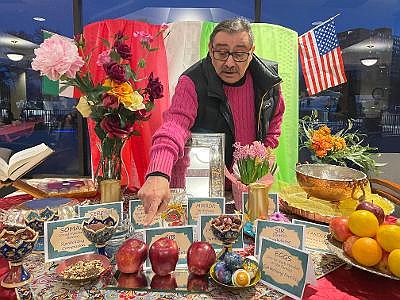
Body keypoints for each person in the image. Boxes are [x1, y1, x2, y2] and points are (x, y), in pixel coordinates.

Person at [138, 17, 285, 225]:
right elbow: (174, 126)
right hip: (200, 191)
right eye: (221, 52)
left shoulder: (268, 81)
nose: (230, 62)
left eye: (240, 53)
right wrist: (158, 172)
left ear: (252, 52)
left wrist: (261, 154)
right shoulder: (192, 81)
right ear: (210, 49)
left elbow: (275, 120)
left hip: (247, 190)